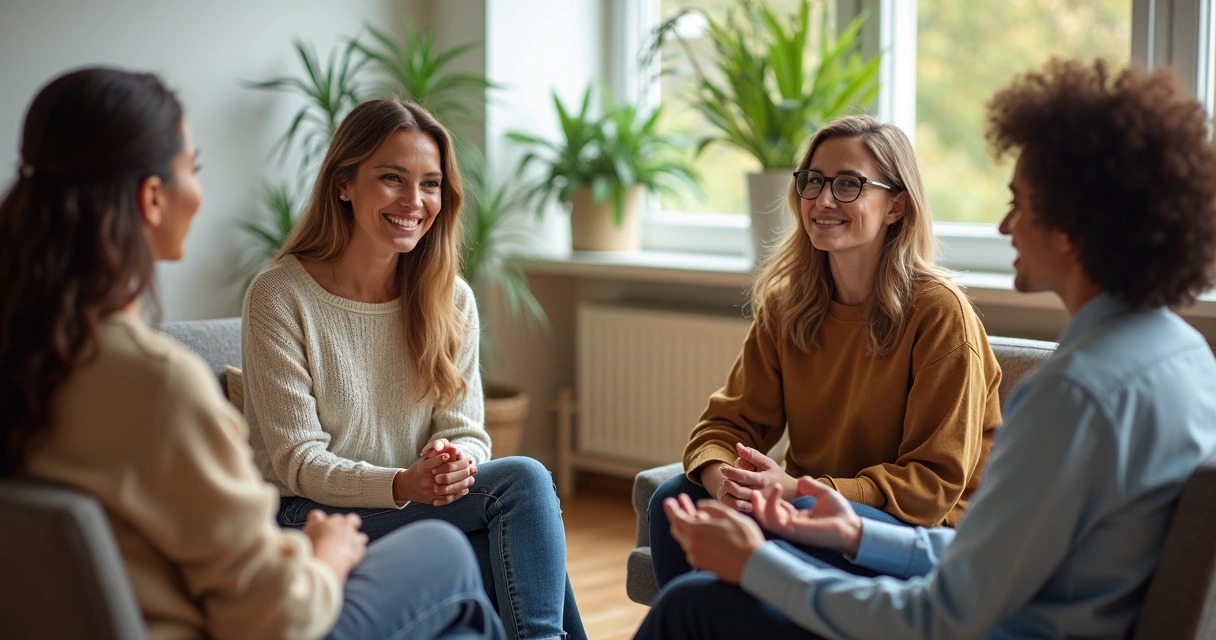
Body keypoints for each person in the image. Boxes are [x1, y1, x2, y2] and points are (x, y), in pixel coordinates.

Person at [636, 57, 1216, 640]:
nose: (1004, 227)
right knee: (678, 512)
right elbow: (992, 562)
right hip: (955, 580)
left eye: (1021, 203)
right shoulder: (1186, 355)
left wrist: (762, 559)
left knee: (695, 605)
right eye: (812, 181)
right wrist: (854, 532)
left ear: (1073, 224)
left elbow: (946, 605)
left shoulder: (1070, 393)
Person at [0, 67, 504, 640]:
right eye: (194, 168)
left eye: (431, 183)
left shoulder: (32, 359)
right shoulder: (160, 385)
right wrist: (326, 555)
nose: (199, 190)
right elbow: (274, 614)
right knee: (442, 551)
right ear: (152, 198)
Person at [240, 98, 584, 640]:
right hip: (313, 513)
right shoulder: (280, 296)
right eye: (392, 178)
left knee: (515, 541)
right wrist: (403, 482)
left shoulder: (451, 299)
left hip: (418, 505)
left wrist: (452, 461)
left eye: (430, 184)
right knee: (523, 487)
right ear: (344, 184)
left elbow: (467, 432)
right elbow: (297, 461)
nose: (415, 201)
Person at [649, 114, 1003, 586]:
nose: (822, 199)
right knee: (675, 503)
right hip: (808, 503)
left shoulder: (940, 314)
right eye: (813, 181)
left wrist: (798, 489)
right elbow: (726, 423)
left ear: (896, 206)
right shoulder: (786, 305)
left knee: (777, 529)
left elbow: (931, 487)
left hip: (920, 532)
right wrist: (724, 480)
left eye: (849, 185)